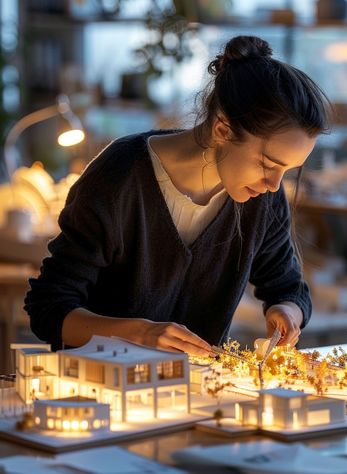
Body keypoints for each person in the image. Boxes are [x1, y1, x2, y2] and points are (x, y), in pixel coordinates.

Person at [24, 35, 331, 357]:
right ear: (223, 129)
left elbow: (288, 289)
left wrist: (286, 314)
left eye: (287, 170)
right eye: (268, 164)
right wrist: (139, 333)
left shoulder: (263, 197)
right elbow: (49, 309)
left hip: (199, 393)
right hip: (101, 388)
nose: (273, 184)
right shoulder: (120, 177)